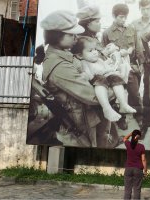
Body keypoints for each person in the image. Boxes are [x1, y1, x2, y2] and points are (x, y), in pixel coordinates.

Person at [37, 10, 118, 148]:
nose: (76, 37)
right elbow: (93, 97)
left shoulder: (65, 54)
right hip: (78, 128)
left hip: (88, 119)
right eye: (71, 34)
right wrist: (117, 88)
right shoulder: (59, 66)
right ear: (57, 36)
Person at [71, 37, 136, 122]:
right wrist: (87, 75)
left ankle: (123, 103)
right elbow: (88, 75)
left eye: (95, 49)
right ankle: (106, 108)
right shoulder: (84, 63)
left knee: (115, 78)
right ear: (80, 55)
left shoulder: (99, 60)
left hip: (105, 78)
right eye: (90, 51)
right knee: (100, 79)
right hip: (96, 81)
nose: (94, 52)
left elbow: (107, 68)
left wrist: (113, 72)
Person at [102, 3, 145, 130]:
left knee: (134, 93)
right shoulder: (106, 33)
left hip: (130, 67)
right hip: (115, 69)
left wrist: (141, 63)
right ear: (113, 16)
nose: (123, 19)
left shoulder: (132, 29)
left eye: (125, 17)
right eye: (120, 17)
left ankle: (139, 115)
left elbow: (138, 48)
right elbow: (104, 53)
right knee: (117, 95)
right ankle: (121, 119)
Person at [131, 0, 150, 138]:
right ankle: (142, 119)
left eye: (148, 9)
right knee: (139, 91)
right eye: (143, 9)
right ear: (139, 10)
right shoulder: (134, 24)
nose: (146, 11)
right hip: (140, 61)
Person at [123, 129, 147, 200]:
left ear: (133, 136)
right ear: (139, 137)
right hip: (138, 169)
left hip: (128, 169)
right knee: (137, 189)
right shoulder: (141, 146)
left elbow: (124, 138)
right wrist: (145, 170)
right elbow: (143, 160)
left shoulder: (128, 144)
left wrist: (131, 134)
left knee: (127, 190)